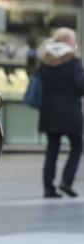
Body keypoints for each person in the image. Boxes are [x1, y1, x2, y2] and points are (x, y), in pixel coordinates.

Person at [37, 27, 84, 198]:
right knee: (77, 146)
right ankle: (66, 181)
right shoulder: (74, 62)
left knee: (52, 149)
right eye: (72, 40)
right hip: (70, 111)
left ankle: (48, 188)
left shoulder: (45, 61)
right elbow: (80, 87)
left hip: (49, 111)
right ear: (67, 41)